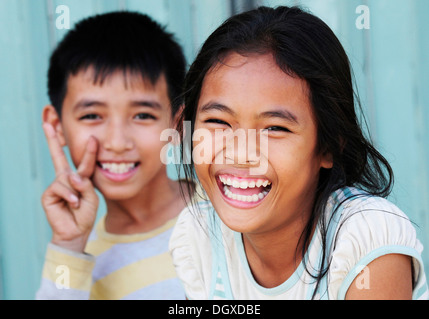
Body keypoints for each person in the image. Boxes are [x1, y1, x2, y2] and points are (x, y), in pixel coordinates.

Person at [169, 6, 428, 299]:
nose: (240, 154)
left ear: (328, 145)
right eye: (218, 121)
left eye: (274, 128)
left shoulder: (363, 239)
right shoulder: (198, 239)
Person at [36, 11, 188, 299]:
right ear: (57, 127)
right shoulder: (74, 266)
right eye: (92, 115)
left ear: (176, 124)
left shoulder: (228, 211)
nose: (118, 143)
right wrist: (68, 245)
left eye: (143, 114)